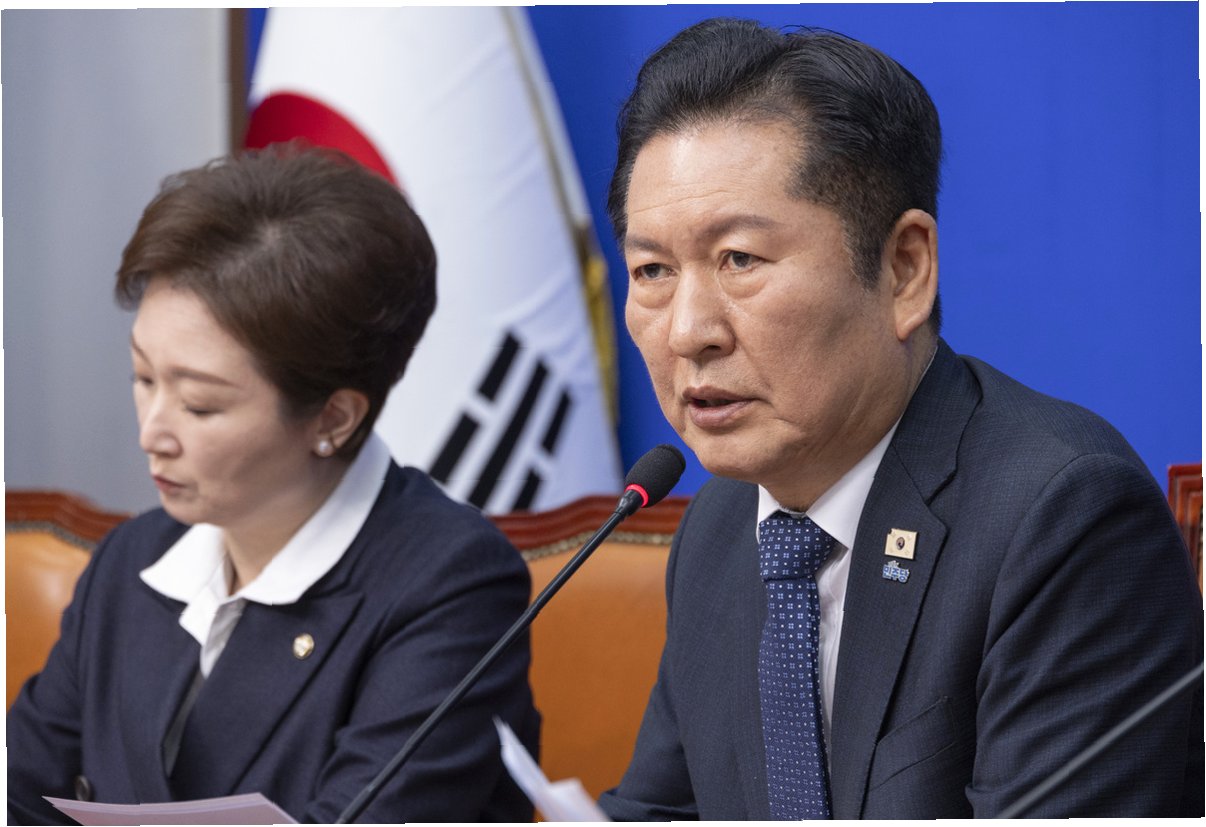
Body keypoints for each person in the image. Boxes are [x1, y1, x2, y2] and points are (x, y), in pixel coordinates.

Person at [597, 18, 1202, 820]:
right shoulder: (720, 530)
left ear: (905, 269)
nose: (687, 331)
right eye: (652, 270)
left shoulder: (1061, 518)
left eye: (739, 258)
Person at [7, 144, 540, 824]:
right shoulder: (132, 561)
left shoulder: (451, 585)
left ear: (333, 417)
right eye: (143, 377)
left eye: (199, 404)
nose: (152, 432)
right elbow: (19, 790)